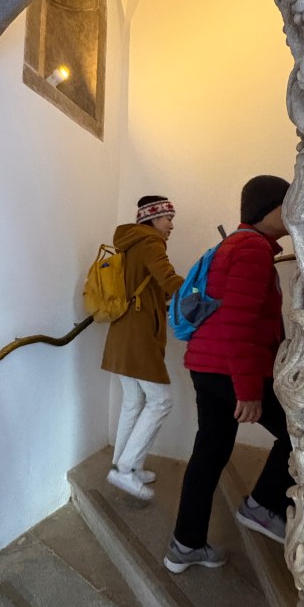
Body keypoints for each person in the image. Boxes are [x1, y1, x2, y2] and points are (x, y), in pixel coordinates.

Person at [164, 175, 292, 573]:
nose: (295, 211)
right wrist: (248, 390)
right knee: (300, 433)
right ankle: (262, 506)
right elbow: (240, 324)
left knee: (210, 452)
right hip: (227, 368)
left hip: (207, 365)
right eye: (288, 204)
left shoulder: (236, 244)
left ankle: (185, 545)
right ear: (268, 209)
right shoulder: (252, 249)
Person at [102, 196, 184, 502]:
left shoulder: (129, 243)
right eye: (168, 219)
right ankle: (125, 469)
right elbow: (169, 280)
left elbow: (153, 286)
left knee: (134, 400)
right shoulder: (151, 242)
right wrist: (202, 290)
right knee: (161, 400)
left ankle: (124, 464)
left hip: (122, 330)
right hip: (138, 335)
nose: (171, 226)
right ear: (152, 218)